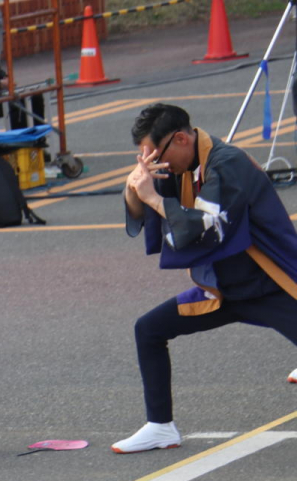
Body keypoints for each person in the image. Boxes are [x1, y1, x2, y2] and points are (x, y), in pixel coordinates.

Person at [117, 103, 297, 453]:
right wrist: (133, 186)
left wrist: (152, 196)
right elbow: (143, 211)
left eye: (152, 154)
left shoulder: (227, 163)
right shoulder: (181, 162)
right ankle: (160, 426)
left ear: (181, 139)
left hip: (269, 282)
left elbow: (203, 227)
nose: (151, 162)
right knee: (149, 329)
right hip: (220, 290)